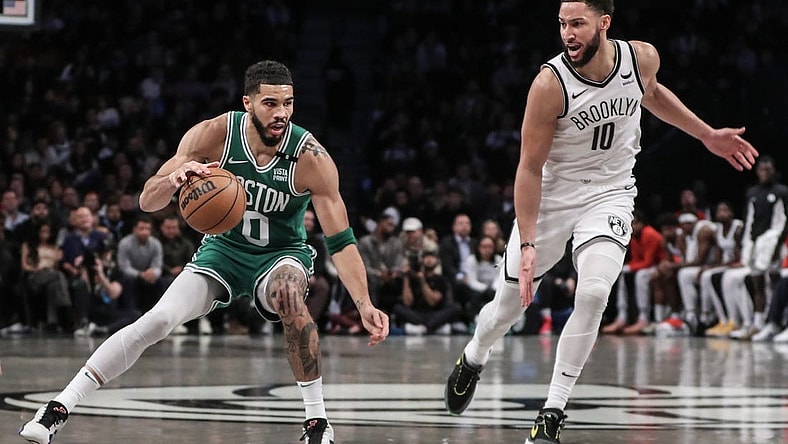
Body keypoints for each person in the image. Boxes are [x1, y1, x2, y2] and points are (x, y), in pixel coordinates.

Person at [19, 60, 389, 444]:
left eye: (288, 103)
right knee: (158, 321)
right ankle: (58, 408)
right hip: (223, 251)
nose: (281, 113)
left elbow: (341, 241)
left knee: (289, 295)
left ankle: (317, 423)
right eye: (270, 103)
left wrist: (363, 303)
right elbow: (147, 200)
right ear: (248, 102)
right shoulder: (215, 134)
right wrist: (173, 181)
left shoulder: (311, 157)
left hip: (281, 254)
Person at [442, 2, 758, 443]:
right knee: (507, 309)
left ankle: (552, 411)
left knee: (592, 293)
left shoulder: (640, 57)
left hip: (610, 193)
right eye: (562, 25)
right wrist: (529, 243)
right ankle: (475, 355)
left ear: (603, 24)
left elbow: (650, 92)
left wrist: (706, 134)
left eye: (577, 24)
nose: (567, 33)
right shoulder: (549, 84)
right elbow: (529, 168)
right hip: (553, 195)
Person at [603, 210, 664, 334]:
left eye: (634, 223)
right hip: (648, 266)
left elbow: (648, 262)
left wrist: (628, 268)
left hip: (659, 265)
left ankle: (643, 318)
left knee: (640, 276)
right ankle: (622, 317)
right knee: (622, 274)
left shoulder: (649, 234)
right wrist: (622, 267)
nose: (632, 227)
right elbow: (636, 260)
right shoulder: (634, 236)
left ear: (642, 224)